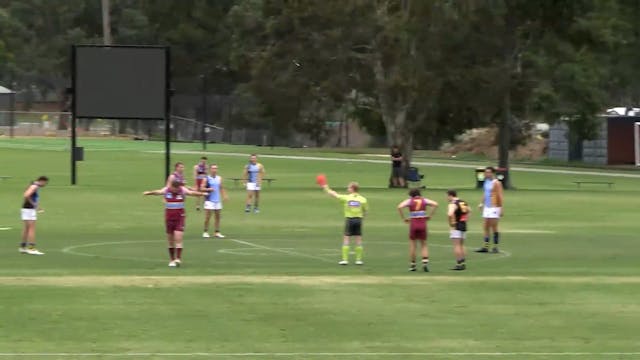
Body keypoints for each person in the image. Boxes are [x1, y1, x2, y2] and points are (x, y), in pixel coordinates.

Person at [143, 180, 207, 267]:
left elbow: (191, 193)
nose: (176, 190)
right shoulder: (167, 190)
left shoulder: (182, 190)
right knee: (170, 240)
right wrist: (149, 193)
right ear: (172, 187)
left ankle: (178, 259)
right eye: (175, 189)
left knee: (178, 237)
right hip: (169, 218)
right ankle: (172, 259)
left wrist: (202, 194)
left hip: (180, 217)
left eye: (178, 189)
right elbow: (158, 192)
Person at [322, 182, 368, 265]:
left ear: (352, 189)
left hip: (349, 220)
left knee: (346, 239)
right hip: (358, 220)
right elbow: (365, 211)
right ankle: (358, 260)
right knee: (358, 239)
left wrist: (326, 187)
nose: (347, 189)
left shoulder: (347, 198)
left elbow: (334, 195)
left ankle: (345, 260)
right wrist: (362, 219)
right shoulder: (363, 199)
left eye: (349, 188)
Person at [397, 188, 438, 272]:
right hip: (422, 223)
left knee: (413, 245)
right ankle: (425, 263)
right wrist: (430, 215)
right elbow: (435, 204)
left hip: (413, 223)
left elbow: (399, 207)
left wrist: (404, 218)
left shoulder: (410, 201)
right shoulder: (424, 200)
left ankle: (413, 265)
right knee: (424, 244)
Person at [476, 166, 504, 253]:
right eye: (486, 172)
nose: (486, 174)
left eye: (488, 172)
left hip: (494, 206)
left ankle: (495, 246)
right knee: (485, 226)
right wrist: (481, 203)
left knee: (494, 226)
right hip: (487, 207)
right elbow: (485, 193)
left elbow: (500, 195)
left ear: (492, 173)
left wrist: (501, 208)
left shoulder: (496, 183)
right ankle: (486, 246)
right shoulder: (486, 181)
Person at [19, 176, 49, 255]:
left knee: (26, 229)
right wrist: (34, 205)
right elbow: (26, 195)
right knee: (31, 229)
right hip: (29, 209)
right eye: (45, 183)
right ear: (42, 181)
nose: (45, 185)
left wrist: (37, 206)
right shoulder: (35, 186)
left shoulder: (33, 185)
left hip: (25, 208)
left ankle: (22, 247)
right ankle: (31, 248)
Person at [202, 164, 228, 239]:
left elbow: (221, 187)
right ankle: (205, 231)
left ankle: (217, 232)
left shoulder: (219, 178)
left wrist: (224, 195)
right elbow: (202, 188)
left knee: (218, 217)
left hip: (217, 200)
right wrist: (208, 189)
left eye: (216, 168)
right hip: (209, 200)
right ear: (210, 169)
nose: (215, 170)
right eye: (213, 168)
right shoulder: (206, 178)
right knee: (207, 217)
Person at [447, 189, 470, 271]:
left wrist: (451, 223)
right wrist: (465, 219)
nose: (447, 198)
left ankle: (458, 263)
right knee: (462, 245)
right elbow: (469, 211)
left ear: (450, 195)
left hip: (456, 226)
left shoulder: (453, 204)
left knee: (456, 245)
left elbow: (450, 213)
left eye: (447, 196)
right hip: (463, 224)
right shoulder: (463, 202)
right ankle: (463, 263)